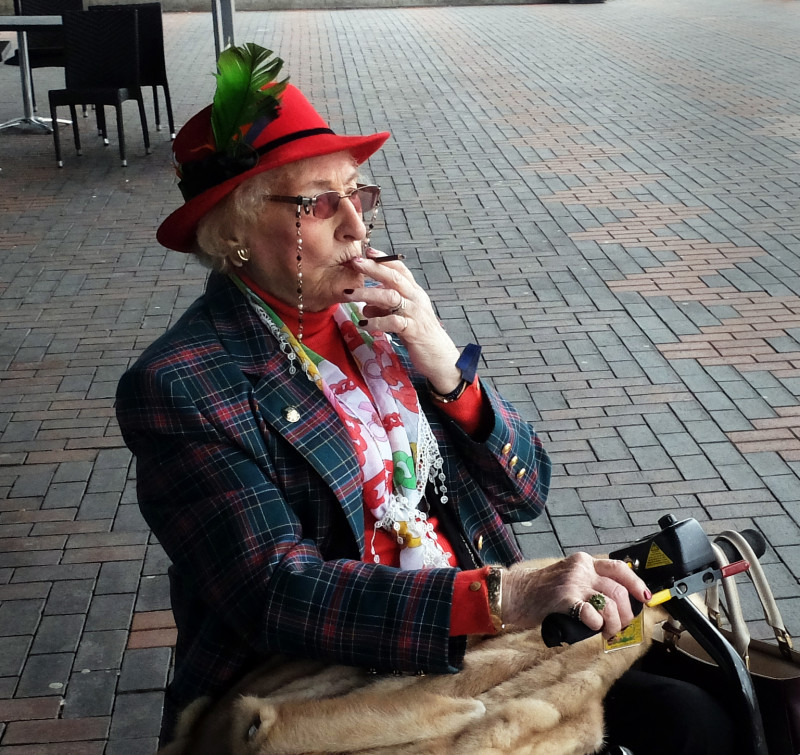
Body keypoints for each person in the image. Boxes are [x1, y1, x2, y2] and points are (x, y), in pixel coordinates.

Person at [116, 44, 736, 755]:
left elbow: (528, 491)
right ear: (236, 234)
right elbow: (276, 593)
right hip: (318, 678)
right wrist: (501, 598)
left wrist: (451, 376)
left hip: (471, 630)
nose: (357, 225)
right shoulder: (182, 383)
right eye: (319, 203)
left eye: (358, 193)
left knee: (701, 710)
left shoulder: (378, 320)